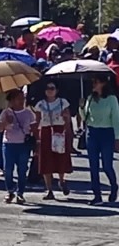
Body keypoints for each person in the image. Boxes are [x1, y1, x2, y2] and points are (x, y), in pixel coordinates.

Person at [80, 75, 119, 204]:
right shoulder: (91, 98)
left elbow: (116, 118)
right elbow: (85, 117)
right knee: (93, 165)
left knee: (107, 165)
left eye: (96, 82)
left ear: (103, 83)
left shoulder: (111, 99)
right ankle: (97, 194)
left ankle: (114, 186)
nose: (93, 84)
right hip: (92, 133)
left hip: (107, 133)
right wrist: (81, 107)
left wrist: (117, 137)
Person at [32, 81, 73, 200]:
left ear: (57, 90)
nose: (50, 90)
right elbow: (37, 120)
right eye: (48, 88)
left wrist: (66, 124)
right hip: (45, 131)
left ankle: (61, 180)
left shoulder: (63, 102)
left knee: (60, 157)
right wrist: (36, 136)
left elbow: (68, 119)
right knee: (46, 160)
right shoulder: (40, 104)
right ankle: (49, 189)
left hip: (59, 130)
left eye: (52, 88)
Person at [0, 89, 35, 204]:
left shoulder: (28, 113)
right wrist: (5, 123)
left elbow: (34, 129)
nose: (22, 101)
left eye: (23, 98)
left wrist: (36, 143)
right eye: (19, 99)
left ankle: (20, 193)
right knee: (8, 169)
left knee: (22, 170)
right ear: (12, 100)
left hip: (23, 145)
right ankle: (10, 191)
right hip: (9, 144)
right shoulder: (6, 113)